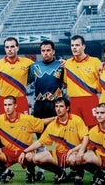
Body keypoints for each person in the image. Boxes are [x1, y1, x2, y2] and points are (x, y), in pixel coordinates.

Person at [0, 95, 55, 183]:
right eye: (5, 105)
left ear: (15, 106)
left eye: (9, 105)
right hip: (8, 152)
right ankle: (7, 172)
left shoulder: (26, 119)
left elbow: (42, 122)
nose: (7, 108)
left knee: (29, 157)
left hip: (24, 152)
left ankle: (30, 172)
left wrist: (55, 118)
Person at [18, 97, 89, 185]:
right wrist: (24, 151)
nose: (58, 109)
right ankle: (60, 173)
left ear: (67, 108)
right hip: (59, 155)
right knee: (36, 158)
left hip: (74, 153)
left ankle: (79, 173)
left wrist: (80, 151)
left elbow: (86, 138)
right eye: (56, 106)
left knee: (72, 159)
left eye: (61, 106)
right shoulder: (52, 125)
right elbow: (40, 142)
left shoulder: (76, 120)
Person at [28, 40, 64, 181]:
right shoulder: (34, 67)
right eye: (43, 50)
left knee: (62, 140)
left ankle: (63, 169)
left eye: (48, 50)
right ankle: (40, 171)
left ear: (53, 51)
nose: (46, 53)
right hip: (39, 107)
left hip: (57, 106)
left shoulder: (61, 65)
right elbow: (27, 82)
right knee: (41, 140)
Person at [0, 36, 34, 120]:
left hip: (21, 101)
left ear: (17, 48)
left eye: (12, 46)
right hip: (3, 101)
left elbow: (42, 67)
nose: (9, 49)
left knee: (23, 130)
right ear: (4, 49)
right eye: (7, 47)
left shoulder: (27, 63)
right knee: (3, 130)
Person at [64, 35, 101, 129]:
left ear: (83, 46)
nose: (74, 47)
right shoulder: (67, 63)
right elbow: (64, 83)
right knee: (75, 129)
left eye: (77, 45)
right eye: (72, 45)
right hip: (73, 101)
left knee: (94, 128)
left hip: (90, 99)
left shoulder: (95, 61)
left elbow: (102, 83)